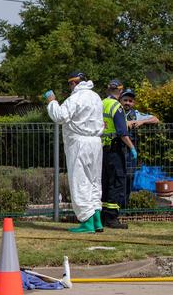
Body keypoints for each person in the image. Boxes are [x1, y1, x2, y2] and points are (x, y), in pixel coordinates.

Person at [44, 71, 104, 233]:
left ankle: (87, 221)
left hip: (79, 142)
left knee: (80, 181)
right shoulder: (96, 97)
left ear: (73, 83)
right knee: (94, 181)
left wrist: (52, 102)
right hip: (96, 142)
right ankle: (97, 219)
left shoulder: (76, 98)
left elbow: (60, 116)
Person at [100, 79, 136, 229]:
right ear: (120, 92)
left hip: (102, 148)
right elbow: (122, 132)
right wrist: (132, 148)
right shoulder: (116, 106)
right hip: (115, 148)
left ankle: (102, 216)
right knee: (117, 182)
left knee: (105, 182)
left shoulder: (101, 103)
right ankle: (112, 218)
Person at [119, 88, 160, 202]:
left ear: (133, 103)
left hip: (130, 151)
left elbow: (156, 119)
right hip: (116, 149)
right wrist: (125, 123)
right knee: (117, 177)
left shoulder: (136, 114)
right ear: (120, 100)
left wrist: (142, 121)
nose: (127, 102)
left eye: (130, 101)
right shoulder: (116, 111)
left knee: (130, 176)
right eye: (125, 100)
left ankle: (125, 204)